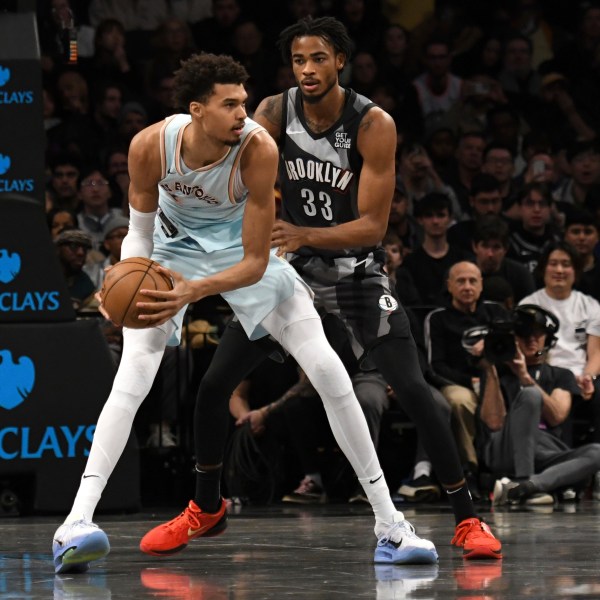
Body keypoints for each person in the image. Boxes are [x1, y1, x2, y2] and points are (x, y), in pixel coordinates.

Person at [51, 52, 437, 574]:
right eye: (229, 103)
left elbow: (256, 262)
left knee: (326, 369)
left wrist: (193, 292)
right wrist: (123, 282)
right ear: (197, 110)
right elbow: (139, 234)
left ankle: (391, 526)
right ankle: (75, 524)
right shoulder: (150, 145)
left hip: (240, 252)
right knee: (135, 374)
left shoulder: (257, 148)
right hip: (170, 250)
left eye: (243, 101)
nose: (243, 112)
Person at [250, 17, 500, 558]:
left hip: (355, 270)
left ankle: (467, 519)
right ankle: (204, 503)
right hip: (291, 270)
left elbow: (373, 228)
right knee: (219, 371)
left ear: (340, 59)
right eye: (298, 60)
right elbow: (244, 178)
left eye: (318, 58)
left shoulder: (372, 122)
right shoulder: (271, 111)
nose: (308, 69)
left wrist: (299, 232)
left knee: (413, 389)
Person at [478, 304, 600, 506]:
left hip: (546, 450)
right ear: (513, 337)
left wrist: (524, 377)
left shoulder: (561, 375)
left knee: (597, 452)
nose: (531, 338)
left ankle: (527, 487)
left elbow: (558, 415)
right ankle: (526, 480)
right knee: (531, 395)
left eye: (537, 333)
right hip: (505, 448)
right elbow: (493, 423)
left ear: (548, 339)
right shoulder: (497, 372)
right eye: (524, 333)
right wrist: (491, 368)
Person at [425, 261, 508, 498]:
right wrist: (470, 381)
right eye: (460, 281)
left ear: (482, 285)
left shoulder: (496, 313)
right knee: (460, 402)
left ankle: (502, 468)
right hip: (456, 384)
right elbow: (435, 365)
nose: (467, 286)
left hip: (494, 380)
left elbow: (509, 353)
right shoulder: (437, 318)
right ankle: (470, 469)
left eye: (473, 281)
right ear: (449, 286)